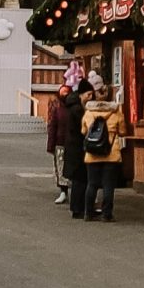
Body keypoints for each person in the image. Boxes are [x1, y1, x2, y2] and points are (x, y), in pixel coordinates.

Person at [80, 71, 126, 221]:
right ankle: (107, 214)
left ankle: (88, 213)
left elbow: (83, 131)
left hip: (92, 154)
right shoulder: (116, 111)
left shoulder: (88, 112)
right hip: (111, 154)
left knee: (92, 184)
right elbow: (123, 131)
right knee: (108, 185)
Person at [59, 80, 90, 219]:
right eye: (89, 94)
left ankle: (76, 207)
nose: (90, 97)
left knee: (79, 179)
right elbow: (82, 128)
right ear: (82, 94)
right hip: (77, 148)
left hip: (73, 147)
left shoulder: (72, 106)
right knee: (80, 179)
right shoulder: (77, 109)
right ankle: (78, 208)